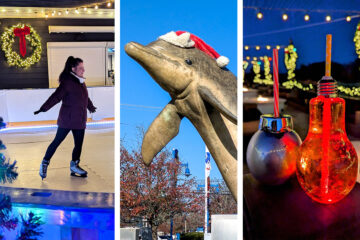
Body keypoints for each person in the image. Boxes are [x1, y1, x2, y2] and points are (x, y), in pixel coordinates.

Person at [34, 56, 96, 180]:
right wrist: (43, 108)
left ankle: (74, 165)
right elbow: (56, 97)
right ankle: (44, 163)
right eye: (81, 68)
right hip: (67, 120)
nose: (83, 70)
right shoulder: (67, 82)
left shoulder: (81, 82)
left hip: (79, 120)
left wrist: (91, 106)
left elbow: (85, 97)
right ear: (73, 69)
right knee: (56, 142)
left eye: (83, 68)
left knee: (78, 145)